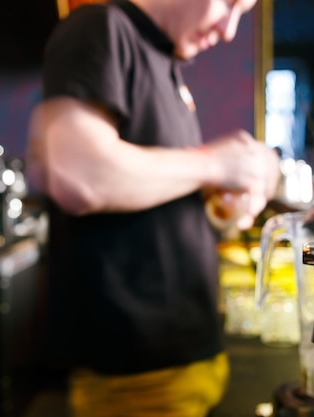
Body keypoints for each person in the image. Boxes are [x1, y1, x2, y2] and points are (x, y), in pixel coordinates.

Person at [25, 1, 281, 416]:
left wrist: (224, 197)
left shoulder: (161, 57)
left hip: (183, 359)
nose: (230, 29)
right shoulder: (101, 26)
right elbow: (80, 176)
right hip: (135, 371)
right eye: (229, 3)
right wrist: (214, 163)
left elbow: (153, 190)